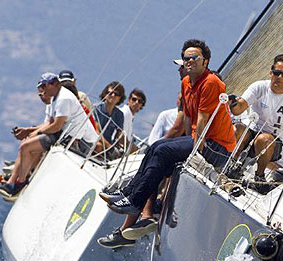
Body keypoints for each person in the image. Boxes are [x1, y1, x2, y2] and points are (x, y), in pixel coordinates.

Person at [97, 39, 236, 248]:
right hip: (196, 139)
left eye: (194, 58)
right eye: (186, 58)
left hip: (215, 147)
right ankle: (129, 196)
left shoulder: (211, 82)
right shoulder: (186, 83)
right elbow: (189, 120)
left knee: (162, 152)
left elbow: (203, 121)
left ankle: (135, 203)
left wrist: (193, 149)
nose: (189, 62)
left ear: (205, 62)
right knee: (155, 148)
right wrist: (184, 143)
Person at [0, 72, 98, 198]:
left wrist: (36, 133)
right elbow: (49, 123)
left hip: (81, 141)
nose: (43, 91)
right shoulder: (55, 98)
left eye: (45, 86)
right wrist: (29, 131)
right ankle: (13, 182)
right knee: (27, 144)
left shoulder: (64, 98)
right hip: (66, 135)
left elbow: (56, 126)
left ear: (55, 84)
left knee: (27, 147)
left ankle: (19, 182)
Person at [228, 54, 283, 191]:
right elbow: (239, 108)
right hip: (251, 132)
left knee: (264, 139)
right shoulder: (259, 87)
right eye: (276, 72)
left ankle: (259, 177)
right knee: (238, 129)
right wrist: (233, 103)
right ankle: (230, 165)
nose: (279, 77)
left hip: (272, 143)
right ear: (271, 72)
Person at [146, 59, 188, 145]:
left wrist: (157, 146)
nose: (179, 70)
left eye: (182, 67)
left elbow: (177, 129)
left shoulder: (187, 94)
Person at [93, 81, 126, 157]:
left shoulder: (119, 115)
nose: (113, 95)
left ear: (119, 98)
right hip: (95, 140)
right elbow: (96, 131)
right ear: (105, 94)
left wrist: (121, 148)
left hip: (109, 146)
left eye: (116, 94)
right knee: (99, 146)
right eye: (110, 93)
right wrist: (109, 146)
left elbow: (119, 135)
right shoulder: (96, 109)